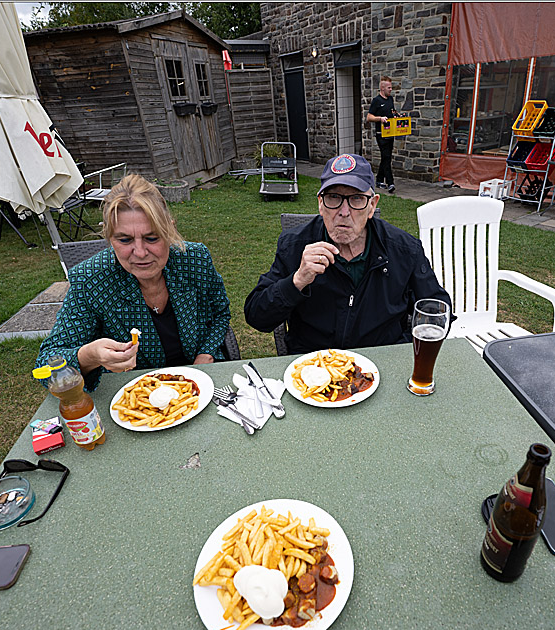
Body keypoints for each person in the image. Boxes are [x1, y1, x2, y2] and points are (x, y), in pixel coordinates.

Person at [36, 174, 231, 392]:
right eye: (125, 240)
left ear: (170, 230)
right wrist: (88, 356)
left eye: (152, 238)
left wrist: (207, 353)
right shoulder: (90, 280)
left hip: (201, 385)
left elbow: (220, 313)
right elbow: (46, 365)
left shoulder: (195, 260)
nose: (139, 252)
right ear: (110, 238)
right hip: (134, 399)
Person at [244, 153, 451, 354]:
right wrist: (297, 281)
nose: (344, 212)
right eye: (333, 198)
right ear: (320, 203)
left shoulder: (404, 250)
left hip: (381, 362)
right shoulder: (295, 245)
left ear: (372, 205)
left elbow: (438, 311)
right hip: (314, 367)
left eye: (357, 199)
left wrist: (399, 351)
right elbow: (257, 317)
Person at [366, 75, 398, 194]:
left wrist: (396, 115)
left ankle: (379, 180)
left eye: (391, 87)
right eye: (389, 87)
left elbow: (392, 112)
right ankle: (390, 183)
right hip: (381, 134)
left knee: (386, 157)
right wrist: (380, 119)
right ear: (382, 88)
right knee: (386, 157)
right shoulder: (376, 101)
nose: (391, 89)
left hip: (391, 133)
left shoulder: (390, 99)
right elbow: (369, 117)